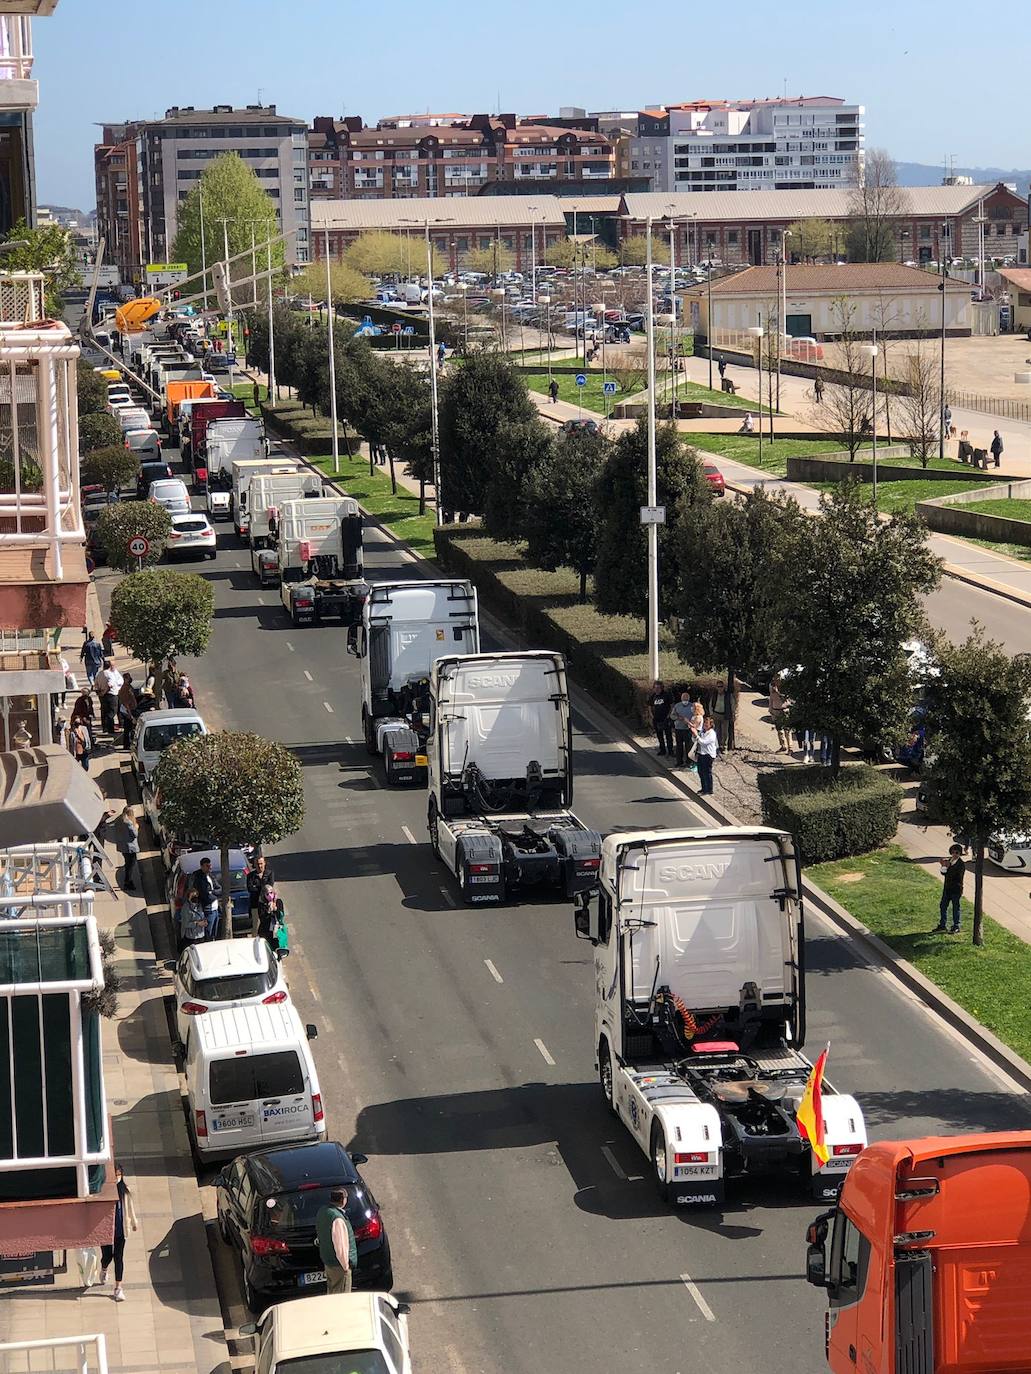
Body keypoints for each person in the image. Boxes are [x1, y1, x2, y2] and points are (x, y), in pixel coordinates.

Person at [99, 1164, 137, 1302]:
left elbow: (130, 1207)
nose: (117, 1178)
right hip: (106, 1231)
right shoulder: (104, 1190)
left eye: (119, 1175)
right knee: (107, 1256)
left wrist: (134, 1222)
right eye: (114, 1175)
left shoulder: (125, 1191)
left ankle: (118, 1288)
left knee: (119, 1258)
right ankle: (103, 1268)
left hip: (121, 1230)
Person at [315, 1188, 356, 1295]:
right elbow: (340, 1247)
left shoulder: (323, 1211)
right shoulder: (337, 1219)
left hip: (328, 1264)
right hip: (339, 1267)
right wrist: (345, 1267)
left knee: (332, 1294)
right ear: (343, 1200)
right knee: (342, 1298)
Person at [935, 844, 965, 934]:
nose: (954, 854)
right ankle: (942, 924)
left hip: (956, 889)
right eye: (953, 852)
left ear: (960, 854)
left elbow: (955, 875)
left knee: (956, 908)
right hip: (947, 888)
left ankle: (956, 926)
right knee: (943, 906)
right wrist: (944, 866)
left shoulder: (961, 864)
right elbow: (943, 873)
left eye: (957, 852)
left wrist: (947, 866)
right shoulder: (949, 861)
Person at [190, 857, 220, 940]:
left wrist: (212, 892)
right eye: (207, 866)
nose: (210, 867)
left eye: (210, 865)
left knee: (214, 933)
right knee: (208, 933)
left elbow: (220, 889)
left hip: (215, 909)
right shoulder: (199, 879)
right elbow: (205, 896)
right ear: (202, 866)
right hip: (207, 910)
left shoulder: (210, 875)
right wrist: (213, 895)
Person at [112, 806, 139, 893]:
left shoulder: (119, 820)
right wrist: (137, 827)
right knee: (130, 865)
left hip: (122, 846)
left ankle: (128, 881)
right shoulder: (129, 823)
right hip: (130, 847)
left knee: (127, 863)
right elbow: (135, 834)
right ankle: (128, 882)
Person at [247, 853, 276, 933]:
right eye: (258, 864)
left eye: (261, 864)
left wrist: (257, 887)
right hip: (255, 905)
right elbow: (250, 889)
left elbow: (269, 887)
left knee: (268, 926)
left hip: (267, 905)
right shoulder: (250, 876)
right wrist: (263, 888)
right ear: (254, 865)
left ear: (264, 863)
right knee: (255, 926)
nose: (260, 866)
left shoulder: (269, 874)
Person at [96, 658, 124, 735]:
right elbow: (110, 685)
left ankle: (105, 727)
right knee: (112, 712)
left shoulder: (99, 673)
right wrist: (104, 692)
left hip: (102, 695)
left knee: (104, 711)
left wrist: (100, 693)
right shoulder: (109, 674)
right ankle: (110, 728)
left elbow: (96, 685)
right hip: (111, 694)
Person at [694, 714, 719, 796]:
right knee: (700, 771)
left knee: (707, 772)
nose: (705, 725)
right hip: (701, 753)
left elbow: (704, 742)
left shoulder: (711, 733)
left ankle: (709, 789)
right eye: (704, 723)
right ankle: (704, 788)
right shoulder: (702, 731)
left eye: (707, 724)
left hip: (708, 755)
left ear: (711, 725)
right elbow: (697, 741)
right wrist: (695, 736)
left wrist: (697, 736)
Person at [670, 691, 695, 767]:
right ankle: (679, 761)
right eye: (684, 699)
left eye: (686, 699)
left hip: (688, 729)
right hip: (679, 729)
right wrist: (678, 717)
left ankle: (689, 762)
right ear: (681, 699)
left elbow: (696, 716)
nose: (685, 701)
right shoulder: (677, 706)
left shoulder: (692, 706)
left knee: (689, 746)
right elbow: (672, 716)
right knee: (679, 746)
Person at [649, 680, 674, 757]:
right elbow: (649, 706)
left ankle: (670, 751)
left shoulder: (666, 695)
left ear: (662, 688)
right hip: (656, 719)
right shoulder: (653, 696)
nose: (657, 689)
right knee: (659, 735)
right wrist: (652, 715)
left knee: (668, 736)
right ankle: (662, 750)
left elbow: (672, 705)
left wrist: (669, 715)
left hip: (666, 718)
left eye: (658, 688)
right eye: (655, 688)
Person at [768, 674, 791, 752]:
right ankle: (783, 745)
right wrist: (770, 709)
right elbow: (771, 698)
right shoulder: (772, 687)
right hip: (776, 710)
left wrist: (777, 692)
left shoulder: (785, 688)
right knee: (779, 729)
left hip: (784, 710)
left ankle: (790, 747)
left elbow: (785, 698)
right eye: (775, 679)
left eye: (778, 680)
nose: (776, 681)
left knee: (787, 729)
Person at [118, 673, 138, 749]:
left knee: (130, 728)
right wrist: (130, 715)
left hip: (130, 709)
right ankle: (126, 745)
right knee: (128, 729)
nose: (129, 679)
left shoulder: (129, 687)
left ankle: (128, 744)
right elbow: (126, 703)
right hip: (127, 711)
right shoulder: (125, 689)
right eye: (127, 678)